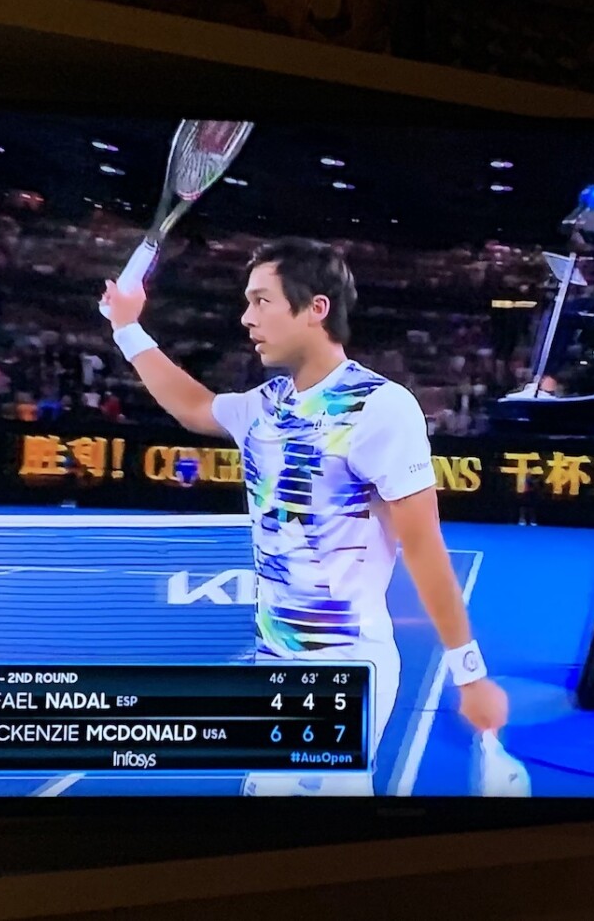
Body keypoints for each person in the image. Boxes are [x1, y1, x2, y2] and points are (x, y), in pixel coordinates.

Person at [100, 237, 509, 795]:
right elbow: (193, 406)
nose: (246, 318)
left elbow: (423, 547)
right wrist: (127, 329)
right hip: (275, 661)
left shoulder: (379, 407)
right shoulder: (265, 405)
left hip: (344, 664)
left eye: (261, 301)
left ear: (317, 308)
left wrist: (469, 674)